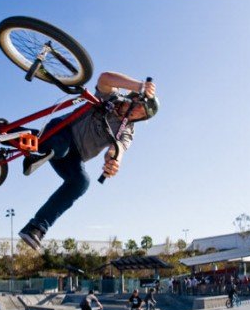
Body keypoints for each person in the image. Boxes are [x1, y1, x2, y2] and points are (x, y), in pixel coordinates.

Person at [9, 72, 159, 250]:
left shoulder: (126, 130)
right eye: (138, 107)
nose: (135, 114)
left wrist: (113, 162)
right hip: (62, 132)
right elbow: (104, 78)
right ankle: (35, 151)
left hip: (74, 157)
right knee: (58, 147)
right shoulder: (111, 97)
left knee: (81, 182)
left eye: (140, 115)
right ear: (133, 98)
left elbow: (117, 149)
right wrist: (140, 86)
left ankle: (36, 228)